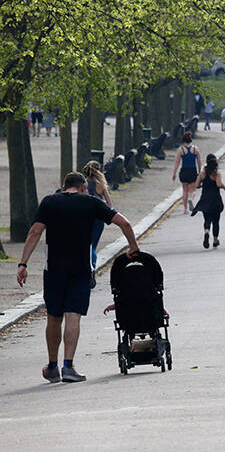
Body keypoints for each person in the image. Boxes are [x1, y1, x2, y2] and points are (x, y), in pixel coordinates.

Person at [17, 171, 139, 383]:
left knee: (54, 316)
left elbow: (35, 232)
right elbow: (125, 223)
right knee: (73, 315)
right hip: (80, 269)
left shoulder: (49, 202)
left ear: (65, 186)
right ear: (83, 187)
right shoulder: (91, 203)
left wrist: (23, 263)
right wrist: (133, 247)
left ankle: (52, 366)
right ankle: (68, 367)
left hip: (53, 269)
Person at [82, 160, 113, 288]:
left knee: (84, 245)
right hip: (98, 219)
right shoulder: (101, 185)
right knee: (93, 246)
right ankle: (92, 269)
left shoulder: (81, 184)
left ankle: (84, 269)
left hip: (84, 218)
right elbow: (110, 204)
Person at [191, 154, 225, 249]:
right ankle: (215, 240)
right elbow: (219, 184)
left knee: (207, 219)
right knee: (216, 221)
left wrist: (202, 185)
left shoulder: (202, 173)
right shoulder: (216, 173)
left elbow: (197, 185)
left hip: (205, 199)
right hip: (215, 199)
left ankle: (206, 232)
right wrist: (224, 187)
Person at [172, 131, 202, 215]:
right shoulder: (195, 149)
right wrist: (199, 172)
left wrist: (174, 173)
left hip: (184, 170)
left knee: (184, 190)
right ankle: (191, 199)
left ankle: (185, 209)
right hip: (192, 170)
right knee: (192, 190)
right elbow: (199, 161)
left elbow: (177, 162)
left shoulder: (180, 150)